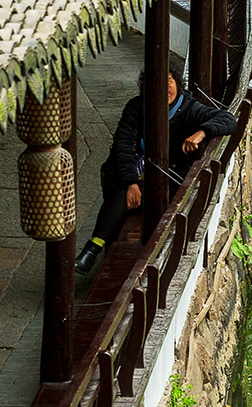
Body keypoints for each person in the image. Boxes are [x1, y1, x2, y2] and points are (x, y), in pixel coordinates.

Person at [74, 68, 238, 275]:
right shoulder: (136, 107)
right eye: (156, 84)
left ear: (177, 83)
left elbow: (229, 120)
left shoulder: (189, 108)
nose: (164, 89)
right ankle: (93, 249)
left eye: (168, 82)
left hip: (167, 178)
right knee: (120, 196)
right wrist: (132, 182)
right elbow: (121, 146)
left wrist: (202, 132)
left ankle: (151, 263)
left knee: (164, 203)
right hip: (134, 173)